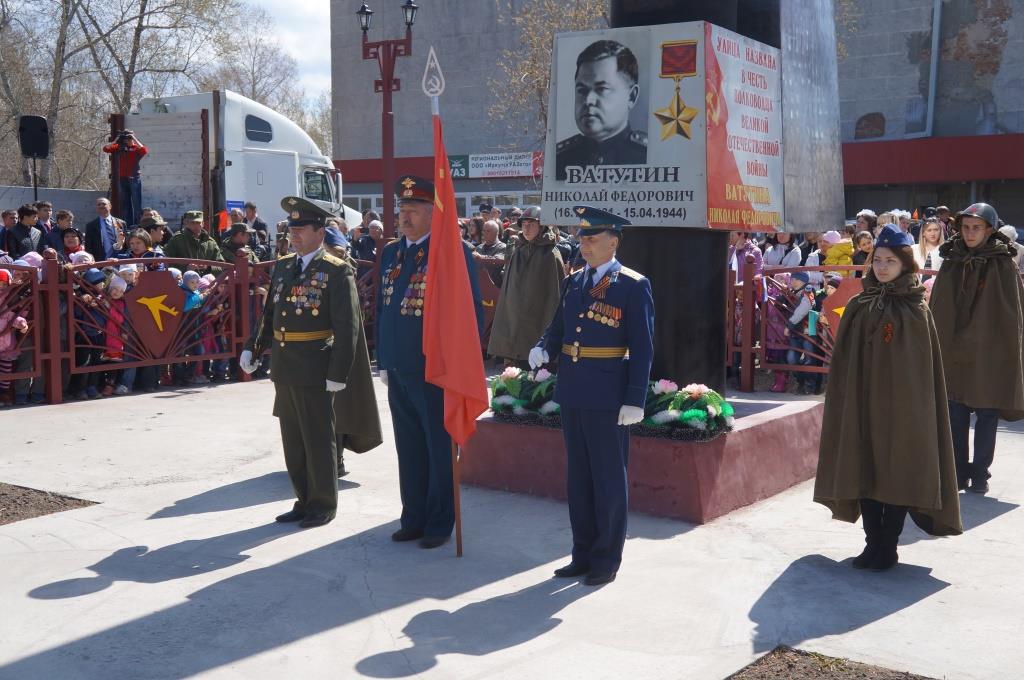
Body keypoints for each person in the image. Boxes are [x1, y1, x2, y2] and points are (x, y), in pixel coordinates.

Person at [814, 224, 962, 572]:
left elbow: (921, 369)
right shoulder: (859, 304)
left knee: (896, 471)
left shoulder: (916, 309)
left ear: (905, 264)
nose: (881, 267)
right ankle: (871, 543)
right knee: (864, 466)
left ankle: (889, 544)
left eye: (889, 261)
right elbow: (846, 363)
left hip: (902, 410)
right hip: (863, 406)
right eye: (877, 260)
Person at [530, 205, 654, 586]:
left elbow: (643, 346)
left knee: (607, 479)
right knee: (579, 478)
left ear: (613, 242)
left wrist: (635, 398)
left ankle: (605, 558)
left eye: (593, 238)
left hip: (608, 394)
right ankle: (581, 553)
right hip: (574, 389)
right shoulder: (574, 281)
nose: (584, 244)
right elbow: (559, 327)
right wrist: (543, 347)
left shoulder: (632, 285)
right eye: (582, 237)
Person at [239, 196, 364, 528]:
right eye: (291, 229)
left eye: (301, 229)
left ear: (320, 232)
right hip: (284, 364)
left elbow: (347, 325)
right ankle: (303, 499)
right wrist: (254, 346)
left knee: (318, 438)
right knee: (293, 439)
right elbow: (270, 313)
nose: (294, 234)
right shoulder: (283, 265)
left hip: (316, 365)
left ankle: (323, 503)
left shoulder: (336, 271)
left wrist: (339, 371)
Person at [376, 174, 483, 550]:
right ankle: (414, 517)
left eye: (412, 211)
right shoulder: (392, 252)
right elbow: (383, 307)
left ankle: (439, 522)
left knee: (438, 448)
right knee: (409, 446)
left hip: (433, 369)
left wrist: (458, 365)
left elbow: (469, 314)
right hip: (398, 366)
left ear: (431, 214)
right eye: (400, 211)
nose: (403, 218)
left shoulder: (450, 254)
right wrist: (382, 358)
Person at [929, 203, 1024, 494]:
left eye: (976, 228)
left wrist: (1001, 348)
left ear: (990, 230)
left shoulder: (1002, 263)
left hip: (989, 352)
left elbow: (1011, 313)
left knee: (986, 412)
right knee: (955, 412)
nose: (970, 234)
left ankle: (981, 472)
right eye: (966, 227)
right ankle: (958, 472)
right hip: (956, 350)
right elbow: (940, 307)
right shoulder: (953, 258)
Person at [321, 226, 383, 478]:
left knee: (338, 406)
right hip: (318, 350)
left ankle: (334, 459)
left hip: (337, 349)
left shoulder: (339, 273)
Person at [556, 40, 647, 179]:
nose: (588, 100)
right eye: (582, 90)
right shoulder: (560, 159)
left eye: (602, 89)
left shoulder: (647, 154)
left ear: (631, 97)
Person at [488, 207, 565, 367]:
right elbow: (509, 291)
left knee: (538, 375)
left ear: (541, 226)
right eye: (524, 224)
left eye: (532, 224)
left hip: (538, 322)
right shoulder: (518, 250)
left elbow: (555, 296)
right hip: (516, 323)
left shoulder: (550, 254)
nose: (527, 228)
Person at [102, 130, 148, 227]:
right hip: (122, 179)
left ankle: (138, 224)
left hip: (134, 178)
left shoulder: (136, 148)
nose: (127, 140)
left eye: (129, 138)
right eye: (126, 138)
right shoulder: (119, 148)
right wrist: (117, 140)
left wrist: (134, 139)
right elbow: (105, 149)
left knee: (136, 203)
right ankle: (129, 225)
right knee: (126, 203)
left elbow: (144, 150)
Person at [84, 198, 127, 262]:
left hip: (119, 258)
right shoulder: (91, 226)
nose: (101, 206)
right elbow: (88, 246)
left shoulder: (121, 223)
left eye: (104, 204)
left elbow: (126, 243)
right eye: (99, 205)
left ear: (110, 206)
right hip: (100, 260)